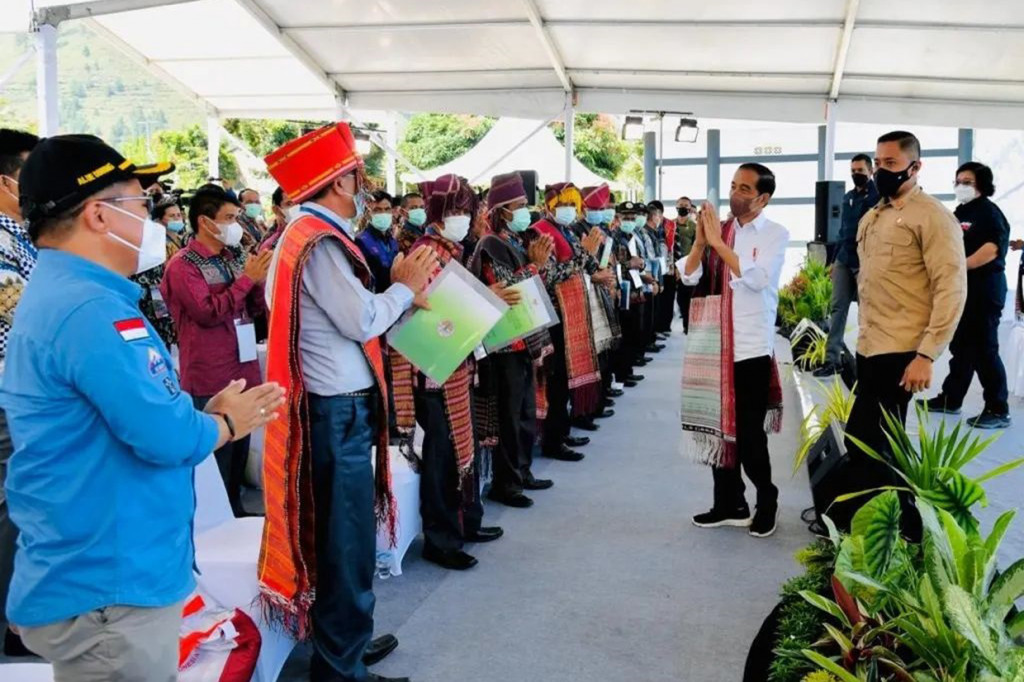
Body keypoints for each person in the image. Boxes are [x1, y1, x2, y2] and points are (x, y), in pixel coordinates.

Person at [1, 133, 283, 681]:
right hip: (110, 583)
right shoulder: (90, 309)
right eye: (141, 204)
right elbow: (164, 436)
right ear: (99, 216)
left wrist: (198, 415)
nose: (153, 220)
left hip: (99, 566)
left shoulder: (71, 295)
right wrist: (224, 422)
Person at [262, 122, 436, 682]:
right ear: (341, 182)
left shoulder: (303, 235)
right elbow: (359, 318)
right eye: (361, 176)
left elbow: (356, 317)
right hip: (336, 412)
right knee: (344, 541)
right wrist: (404, 287)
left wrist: (402, 299)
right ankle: (341, 665)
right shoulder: (316, 241)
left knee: (345, 537)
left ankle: (345, 644)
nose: (369, 189)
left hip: (334, 408)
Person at [837, 130, 966, 529]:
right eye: (878, 163)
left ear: (915, 166)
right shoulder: (874, 214)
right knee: (869, 438)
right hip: (871, 344)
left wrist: (926, 355)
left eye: (890, 164)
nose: (881, 171)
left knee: (873, 439)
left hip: (903, 350)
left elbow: (951, 287)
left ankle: (905, 524)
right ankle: (879, 517)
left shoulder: (932, 216)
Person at [391, 174, 505, 571]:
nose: (463, 218)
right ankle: (441, 540)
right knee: (442, 461)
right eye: (455, 211)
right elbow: (417, 314)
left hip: (454, 366)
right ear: (437, 215)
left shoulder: (448, 250)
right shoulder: (425, 253)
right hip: (432, 371)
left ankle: (465, 524)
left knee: (460, 451)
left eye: (466, 211)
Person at [681, 163, 788, 539]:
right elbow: (689, 275)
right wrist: (700, 243)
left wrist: (720, 245)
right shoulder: (718, 231)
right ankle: (730, 503)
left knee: (748, 436)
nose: (735, 193)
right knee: (718, 430)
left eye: (745, 188)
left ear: (762, 198)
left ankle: (767, 501)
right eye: (732, 185)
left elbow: (757, 279)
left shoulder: (775, 233)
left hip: (750, 348)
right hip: (714, 347)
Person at [161, 185, 271, 517]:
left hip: (242, 365)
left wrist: (258, 280)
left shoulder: (235, 257)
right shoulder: (183, 265)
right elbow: (207, 312)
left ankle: (234, 510)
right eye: (229, 218)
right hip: (210, 373)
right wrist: (246, 281)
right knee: (214, 454)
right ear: (206, 222)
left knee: (239, 449)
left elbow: (254, 308)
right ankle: (215, 521)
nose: (237, 224)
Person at [470, 172, 556, 509]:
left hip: (523, 340)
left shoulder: (515, 241)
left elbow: (533, 282)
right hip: (504, 343)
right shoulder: (491, 244)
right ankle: (506, 484)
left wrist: (539, 265)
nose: (526, 212)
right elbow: (508, 292)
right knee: (509, 415)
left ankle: (522, 472)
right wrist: (535, 266)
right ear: (503, 209)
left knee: (523, 411)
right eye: (519, 206)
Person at [920, 162, 1011, 429]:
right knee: (961, 346)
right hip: (962, 290)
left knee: (985, 349)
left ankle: (998, 408)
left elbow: (993, 249)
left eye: (968, 181)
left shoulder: (990, 213)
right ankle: (951, 398)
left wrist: (960, 266)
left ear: (981, 184)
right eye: (958, 180)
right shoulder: (960, 212)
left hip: (985, 289)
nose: (961, 185)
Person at [0, 128, 39, 657]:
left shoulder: (21, 232)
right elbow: (21, 306)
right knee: (13, 507)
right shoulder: (1, 237)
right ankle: (13, 625)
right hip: (8, 395)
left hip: (22, 390)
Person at [533, 183, 605, 461]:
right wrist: (585, 253)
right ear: (550, 206)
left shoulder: (567, 230)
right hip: (552, 314)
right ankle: (553, 439)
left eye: (573, 205)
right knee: (556, 379)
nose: (570, 210)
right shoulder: (540, 232)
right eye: (564, 205)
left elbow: (582, 264)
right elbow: (550, 276)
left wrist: (593, 261)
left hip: (569, 312)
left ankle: (561, 431)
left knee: (565, 377)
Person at [814, 154, 880, 378]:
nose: (856, 174)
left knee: (867, 313)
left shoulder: (879, 196)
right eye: (853, 170)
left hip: (866, 261)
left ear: (871, 171)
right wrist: (833, 261)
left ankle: (868, 363)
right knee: (837, 308)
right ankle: (832, 360)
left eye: (860, 170)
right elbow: (842, 231)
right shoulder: (848, 197)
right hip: (844, 258)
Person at [132, 198, 185, 350]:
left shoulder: (183, 240)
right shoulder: (153, 245)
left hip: (181, 298)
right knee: (162, 342)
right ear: (159, 220)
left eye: (178, 215)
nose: (177, 219)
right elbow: (153, 282)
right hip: (159, 298)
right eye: (172, 216)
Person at [612, 201, 650, 385]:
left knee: (633, 331)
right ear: (618, 218)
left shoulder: (632, 236)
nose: (629, 220)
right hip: (622, 291)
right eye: (625, 217)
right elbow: (612, 266)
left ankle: (628, 369)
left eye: (632, 218)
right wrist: (630, 264)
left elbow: (636, 260)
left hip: (635, 290)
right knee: (624, 334)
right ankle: (622, 373)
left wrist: (641, 264)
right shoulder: (614, 238)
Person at [356, 190, 401, 293]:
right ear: (368, 214)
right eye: (377, 210)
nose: (383, 213)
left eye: (387, 209)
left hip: (395, 298)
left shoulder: (393, 241)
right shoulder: (361, 241)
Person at [674, 196, 697, 334]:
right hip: (672, 266)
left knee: (686, 297)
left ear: (690, 208)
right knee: (674, 297)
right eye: (680, 205)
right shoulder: (670, 225)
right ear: (676, 207)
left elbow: (697, 246)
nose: (683, 207)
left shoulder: (694, 226)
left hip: (688, 266)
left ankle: (687, 325)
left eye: (686, 205)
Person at [259, 185, 296, 254]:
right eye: (289, 204)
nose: (297, 207)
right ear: (277, 210)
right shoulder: (271, 247)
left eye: (300, 202)